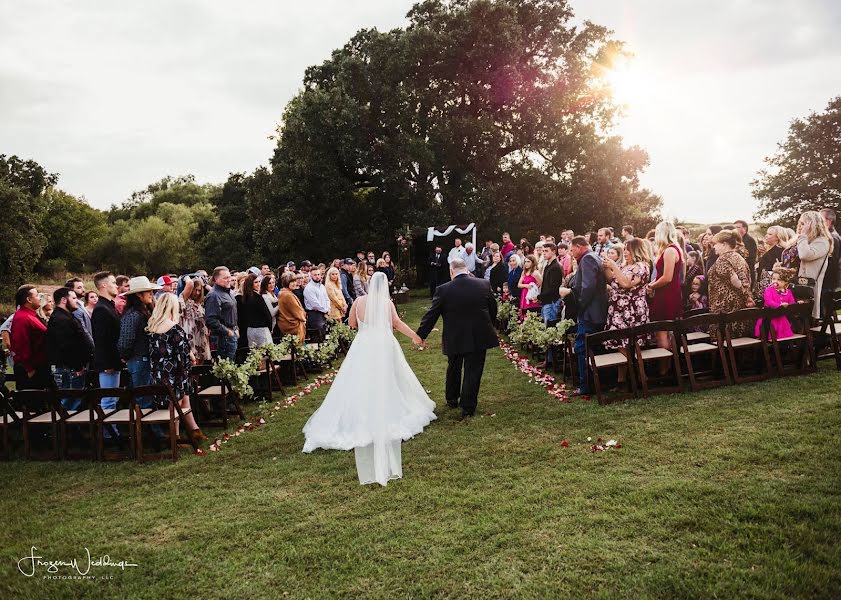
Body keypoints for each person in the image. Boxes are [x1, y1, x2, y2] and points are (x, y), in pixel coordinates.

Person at [303, 272, 435, 486]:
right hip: (383, 344)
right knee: (389, 379)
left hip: (363, 345)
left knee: (359, 381)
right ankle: (388, 409)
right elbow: (398, 324)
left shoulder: (358, 301)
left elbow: (352, 324)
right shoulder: (387, 303)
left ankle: (360, 412)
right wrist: (416, 337)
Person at [416, 258, 498, 419]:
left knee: (454, 366)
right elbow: (493, 308)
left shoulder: (443, 289)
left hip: (455, 336)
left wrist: (420, 335)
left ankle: (452, 398)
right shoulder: (483, 284)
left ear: (451, 271)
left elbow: (432, 315)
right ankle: (468, 406)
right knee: (473, 370)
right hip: (479, 334)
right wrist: (489, 325)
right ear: (466, 269)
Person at [560, 237, 607, 396]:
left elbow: (587, 287)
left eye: (572, 250)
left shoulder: (588, 259)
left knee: (581, 347)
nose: (572, 254)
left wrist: (577, 304)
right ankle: (597, 383)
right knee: (591, 346)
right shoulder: (594, 257)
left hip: (590, 312)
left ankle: (585, 385)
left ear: (579, 247)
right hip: (594, 310)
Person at [602, 239, 652, 384]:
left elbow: (626, 283)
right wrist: (607, 267)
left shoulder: (641, 267)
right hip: (618, 310)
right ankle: (622, 379)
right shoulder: (626, 266)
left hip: (631, 310)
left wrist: (613, 266)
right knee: (620, 343)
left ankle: (640, 377)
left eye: (627, 250)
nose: (624, 253)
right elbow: (612, 280)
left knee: (632, 344)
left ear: (636, 251)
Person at [47, 288, 93, 410]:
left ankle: (69, 427)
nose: (76, 301)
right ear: (63, 300)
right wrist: (77, 365)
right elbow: (67, 347)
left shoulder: (67, 317)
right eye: (73, 298)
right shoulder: (60, 320)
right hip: (68, 369)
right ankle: (65, 428)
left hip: (72, 367)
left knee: (74, 401)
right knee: (69, 402)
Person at [119, 276, 160, 408]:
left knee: (147, 395)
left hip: (144, 358)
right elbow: (125, 341)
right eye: (148, 292)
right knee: (143, 398)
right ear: (138, 294)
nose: (151, 294)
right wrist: (125, 356)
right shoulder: (132, 314)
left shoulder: (144, 311)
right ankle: (147, 428)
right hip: (138, 360)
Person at [91, 271, 122, 434]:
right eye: (113, 282)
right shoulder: (101, 309)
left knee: (113, 398)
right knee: (109, 399)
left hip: (113, 361)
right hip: (107, 363)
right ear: (103, 285)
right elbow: (102, 340)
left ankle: (112, 432)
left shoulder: (108, 306)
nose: (116, 285)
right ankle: (109, 435)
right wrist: (109, 363)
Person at [708, 230, 755, 336]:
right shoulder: (739, 257)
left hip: (725, 307)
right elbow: (747, 279)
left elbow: (735, 280)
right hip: (739, 306)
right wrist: (747, 295)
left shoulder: (723, 260)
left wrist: (747, 296)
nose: (714, 247)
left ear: (724, 244)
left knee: (725, 342)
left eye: (715, 244)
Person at [647, 222, 685, 350]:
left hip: (666, 294)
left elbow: (667, 277)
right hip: (668, 292)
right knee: (666, 332)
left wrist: (652, 287)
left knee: (662, 333)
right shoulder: (674, 248)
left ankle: (664, 368)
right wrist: (651, 284)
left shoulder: (670, 250)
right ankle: (671, 365)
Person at [10, 285, 49, 389]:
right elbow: (20, 344)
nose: (39, 298)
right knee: (31, 401)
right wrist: (29, 369)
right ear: (29, 299)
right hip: (31, 370)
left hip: (39, 366)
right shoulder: (22, 318)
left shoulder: (32, 315)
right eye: (36, 295)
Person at [795, 210, 832, 318]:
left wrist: (803, 236)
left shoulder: (822, 241)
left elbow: (805, 255)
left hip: (809, 288)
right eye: (800, 223)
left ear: (813, 224)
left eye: (803, 224)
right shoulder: (808, 240)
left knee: (806, 317)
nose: (800, 226)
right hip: (799, 285)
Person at [205, 266, 239, 361]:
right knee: (226, 369)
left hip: (232, 334)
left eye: (229, 277)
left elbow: (232, 313)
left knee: (232, 367)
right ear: (216, 279)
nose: (229, 280)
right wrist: (228, 332)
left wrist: (236, 329)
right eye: (225, 278)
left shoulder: (229, 293)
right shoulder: (213, 296)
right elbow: (210, 320)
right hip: (222, 338)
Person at [755, 268, 796, 340]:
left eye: (779, 280)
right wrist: (779, 305)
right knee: (770, 335)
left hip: (781, 319)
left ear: (785, 282)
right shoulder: (769, 290)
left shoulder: (788, 292)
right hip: (769, 318)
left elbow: (792, 303)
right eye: (773, 279)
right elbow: (768, 301)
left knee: (783, 337)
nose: (775, 281)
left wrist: (796, 304)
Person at [180, 274, 211, 364]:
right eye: (195, 290)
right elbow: (189, 284)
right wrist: (187, 277)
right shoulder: (185, 301)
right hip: (190, 336)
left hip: (201, 337)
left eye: (199, 290)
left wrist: (205, 285)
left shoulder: (201, 303)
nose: (197, 293)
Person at [756, 226, 791, 300]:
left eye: (770, 234)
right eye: (767, 233)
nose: (766, 236)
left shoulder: (780, 251)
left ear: (777, 237)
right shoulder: (769, 249)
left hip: (773, 289)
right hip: (765, 287)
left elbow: (773, 268)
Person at [239, 273, 273, 347]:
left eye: (259, 282)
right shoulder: (258, 298)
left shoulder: (244, 298)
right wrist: (270, 327)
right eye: (255, 282)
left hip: (250, 330)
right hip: (261, 330)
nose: (258, 284)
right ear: (250, 284)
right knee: (267, 354)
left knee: (255, 355)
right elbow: (266, 314)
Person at [278, 272, 307, 343]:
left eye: (294, 281)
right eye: (291, 282)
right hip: (292, 326)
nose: (294, 283)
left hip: (288, 325)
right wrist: (304, 318)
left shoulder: (283, 292)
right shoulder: (287, 295)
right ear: (286, 282)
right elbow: (298, 311)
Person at [304, 267, 330, 342]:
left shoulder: (322, 286)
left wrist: (328, 308)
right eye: (315, 275)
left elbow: (327, 299)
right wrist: (325, 310)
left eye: (318, 274)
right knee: (317, 337)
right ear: (311, 276)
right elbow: (315, 304)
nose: (317, 276)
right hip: (314, 314)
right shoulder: (309, 288)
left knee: (323, 333)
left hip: (323, 313)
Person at [65, 277, 94, 344]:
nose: (83, 290)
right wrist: (92, 345)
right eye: (79, 288)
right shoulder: (75, 308)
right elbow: (83, 331)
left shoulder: (80, 304)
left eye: (83, 287)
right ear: (71, 290)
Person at [518, 254, 543, 319]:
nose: (526, 263)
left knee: (531, 313)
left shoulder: (535, 273)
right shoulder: (524, 272)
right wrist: (526, 285)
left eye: (528, 262)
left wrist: (536, 288)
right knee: (524, 312)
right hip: (524, 293)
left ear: (533, 263)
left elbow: (542, 284)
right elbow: (519, 285)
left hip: (532, 295)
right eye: (525, 262)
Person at [735, 220, 757, 286]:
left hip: (747, 272)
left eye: (738, 227)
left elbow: (750, 257)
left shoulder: (749, 240)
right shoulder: (738, 240)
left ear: (744, 228)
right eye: (735, 227)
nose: (736, 229)